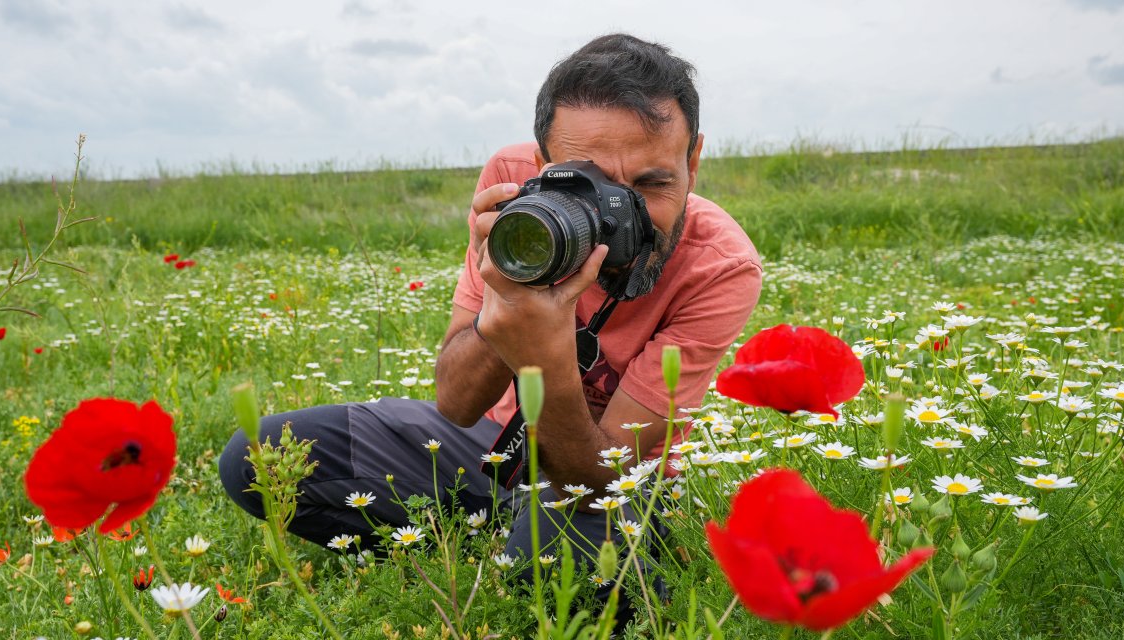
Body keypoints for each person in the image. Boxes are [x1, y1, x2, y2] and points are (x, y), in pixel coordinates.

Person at [218, 32, 761, 590]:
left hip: (612, 474)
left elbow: (604, 479)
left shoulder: (720, 267)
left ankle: (538, 541)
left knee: (555, 566)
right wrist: (507, 302)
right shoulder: (513, 188)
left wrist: (543, 352)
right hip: (492, 442)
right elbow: (456, 403)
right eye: (590, 185)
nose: (620, 216)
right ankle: (492, 529)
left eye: (652, 184)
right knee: (261, 459)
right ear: (541, 163)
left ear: (693, 160)